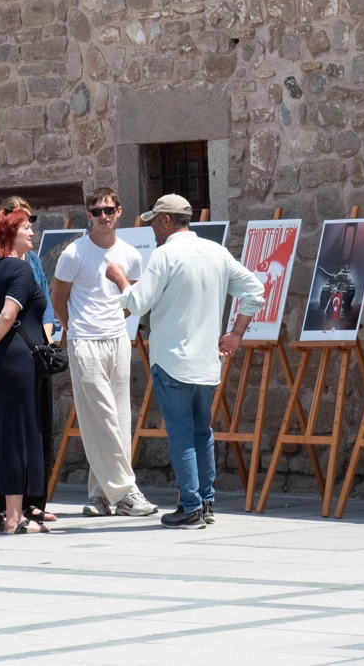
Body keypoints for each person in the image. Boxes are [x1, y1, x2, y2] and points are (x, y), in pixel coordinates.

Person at [105, 195, 265, 529]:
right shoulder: (216, 252)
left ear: (166, 220)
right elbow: (255, 290)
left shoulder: (164, 255)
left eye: (153, 221)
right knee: (201, 432)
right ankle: (205, 502)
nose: (151, 227)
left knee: (181, 435)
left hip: (172, 360)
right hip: (207, 362)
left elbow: (137, 303)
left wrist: (119, 277)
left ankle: (190, 506)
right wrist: (236, 333)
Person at [51, 187, 158, 517]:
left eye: (108, 210)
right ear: (89, 215)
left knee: (118, 417)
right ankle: (127, 490)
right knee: (98, 414)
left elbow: (133, 300)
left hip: (117, 339)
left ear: (119, 211)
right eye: (96, 211)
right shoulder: (74, 254)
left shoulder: (130, 254)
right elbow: (58, 300)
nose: (103, 217)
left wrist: (115, 321)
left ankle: (100, 494)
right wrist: (76, 329)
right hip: (84, 340)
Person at [0, 208, 50, 534]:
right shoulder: (20, 269)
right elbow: (6, 314)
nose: (31, 232)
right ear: (11, 234)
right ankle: (14, 518)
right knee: (17, 437)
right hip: (16, 361)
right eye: (25, 228)